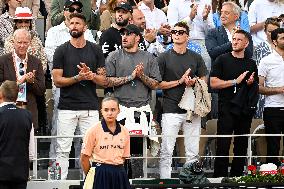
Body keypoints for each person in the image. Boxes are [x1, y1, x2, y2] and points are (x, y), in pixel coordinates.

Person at [52, 13, 106, 180]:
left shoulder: (95, 49)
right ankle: (59, 185)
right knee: (62, 149)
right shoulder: (61, 50)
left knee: (91, 150)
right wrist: (77, 78)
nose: (74, 25)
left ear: (85, 27)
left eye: (78, 23)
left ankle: (89, 183)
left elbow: (103, 80)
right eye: (71, 22)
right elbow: (56, 80)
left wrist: (91, 77)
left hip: (90, 107)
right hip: (67, 107)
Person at [45, 1, 96, 164]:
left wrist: (73, 64)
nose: (74, 11)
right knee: (59, 129)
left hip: (84, 87)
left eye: (77, 10)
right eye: (70, 9)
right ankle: (55, 164)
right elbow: (51, 59)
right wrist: (76, 68)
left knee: (84, 133)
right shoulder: (53, 31)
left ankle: (78, 164)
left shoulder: (86, 32)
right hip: (63, 86)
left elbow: (91, 57)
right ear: (64, 11)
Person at [105, 24, 161, 167]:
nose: (124, 37)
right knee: (118, 153)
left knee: (137, 153)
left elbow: (155, 84)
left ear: (137, 38)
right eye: (123, 34)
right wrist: (130, 77)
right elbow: (107, 81)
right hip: (120, 109)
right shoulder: (113, 56)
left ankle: (135, 182)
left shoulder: (148, 58)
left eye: (129, 34)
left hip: (141, 109)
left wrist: (141, 76)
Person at [157, 22, 207, 179]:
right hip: (170, 108)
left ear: (187, 36)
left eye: (181, 31)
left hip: (192, 110)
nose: (177, 34)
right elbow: (157, 84)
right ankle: (165, 182)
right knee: (166, 150)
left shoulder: (196, 57)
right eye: (174, 31)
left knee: (192, 151)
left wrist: (195, 82)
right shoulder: (163, 57)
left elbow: (205, 78)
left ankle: (189, 181)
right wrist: (179, 81)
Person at [210, 30, 258, 177]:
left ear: (246, 43)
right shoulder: (222, 59)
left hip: (244, 109)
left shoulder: (251, 63)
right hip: (226, 107)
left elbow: (255, 85)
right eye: (233, 39)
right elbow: (213, 83)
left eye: (239, 39)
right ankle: (219, 178)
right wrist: (234, 82)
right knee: (223, 144)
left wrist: (250, 83)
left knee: (241, 145)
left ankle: (237, 177)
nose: (235, 41)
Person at [205, 1, 253, 118]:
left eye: (227, 13)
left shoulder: (245, 35)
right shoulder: (213, 33)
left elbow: (249, 54)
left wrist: (239, 38)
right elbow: (213, 53)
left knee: (241, 123)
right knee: (219, 123)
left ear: (236, 16)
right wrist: (233, 42)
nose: (222, 15)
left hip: (241, 86)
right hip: (219, 86)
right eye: (221, 12)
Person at [81, 97, 131, 189]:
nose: (109, 113)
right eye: (106, 110)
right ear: (101, 111)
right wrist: (93, 175)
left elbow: (124, 157)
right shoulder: (93, 131)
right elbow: (84, 158)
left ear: (118, 111)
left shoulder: (125, 131)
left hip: (119, 173)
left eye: (113, 109)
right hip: (100, 173)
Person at [0, 28, 45, 129]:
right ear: (13, 42)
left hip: (28, 112)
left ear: (29, 43)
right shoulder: (2, 61)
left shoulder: (36, 62)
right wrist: (19, 81)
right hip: (6, 112)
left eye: (25, 42)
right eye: (19, 42)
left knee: (30, 144)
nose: (22, 45)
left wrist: (32, 81)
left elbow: (41, 90)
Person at [0, 80, 35, 189]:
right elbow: (31, 149)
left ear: (1, 94)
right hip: (20, 172)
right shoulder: (27, 115)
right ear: (17, 95)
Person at [258, 28, 284, 167]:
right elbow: (259, 87)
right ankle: (272, 178)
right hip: (273, 108)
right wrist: (279, 89)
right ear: (274, 41)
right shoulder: (266, 61)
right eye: (282, 38)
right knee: (273, 146)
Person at [167, 0, 213, 72]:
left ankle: (203, 83)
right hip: (182, 41)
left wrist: (205, 19)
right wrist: (190, 18)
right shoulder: (174, 2)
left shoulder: (206, 1)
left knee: (207, 60)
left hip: (203, 41)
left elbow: (210, 32)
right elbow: (173, 29)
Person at [253, 17, 279, 119]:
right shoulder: (261, 48)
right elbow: (260, 74)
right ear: (265, 31)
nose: (273, 34)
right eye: (270, 31)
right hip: (265, 89)